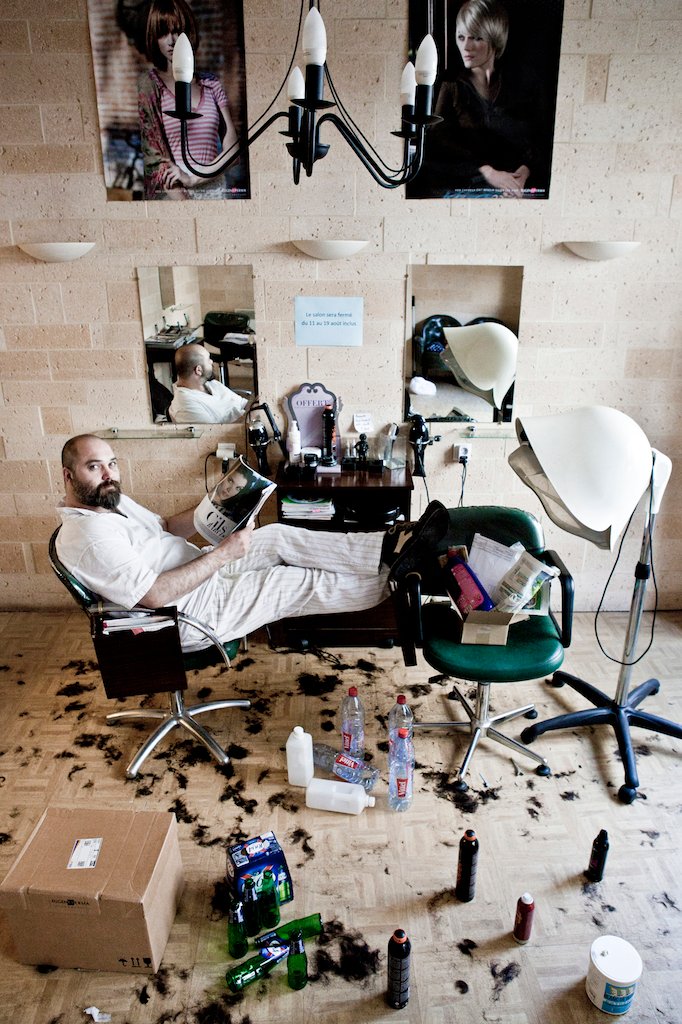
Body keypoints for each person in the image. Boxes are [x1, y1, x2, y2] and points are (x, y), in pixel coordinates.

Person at [55, 435, 449, 652]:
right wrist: (224, 554)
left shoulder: (110, 500)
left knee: (276, 535)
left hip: (199, 572)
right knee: (292, 582)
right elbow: (154, 595)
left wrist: (218, 505)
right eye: (94, 467)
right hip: (186, 615)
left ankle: (388, 547)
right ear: (69, 476)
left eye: (112, 463)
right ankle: (396, 581)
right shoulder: (88, 537)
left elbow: (164, 527)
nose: (108, 474)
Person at [411, 0, 548, 199]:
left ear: (494, 39)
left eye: (476, 38)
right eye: (461, 37)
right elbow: (437, 147)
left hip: (517, 188)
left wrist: (523, 172)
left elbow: (539, 140)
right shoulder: (451, 85)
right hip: (467, 187)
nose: (466, 46)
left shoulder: (524, 83)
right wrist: (487, 172)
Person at [138, 0, 245, 200]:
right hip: (175, 194)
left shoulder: (211, 84)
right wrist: (185, 201)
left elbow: (233, 150)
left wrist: (194, 178)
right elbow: (155, 159)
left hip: (214, 191)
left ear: (188, 33)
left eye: (177, 31)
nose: (171, 41)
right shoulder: (151, 85)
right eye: (163, 33)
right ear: (154, 37)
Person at [168, 343, 248, 423]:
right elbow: (216, 430)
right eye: (208, 359)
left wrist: (252, 407)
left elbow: (244, 404)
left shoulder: (212, 384)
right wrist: (249, 415)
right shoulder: (185, 405)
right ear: (198, 370)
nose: (211, 361)